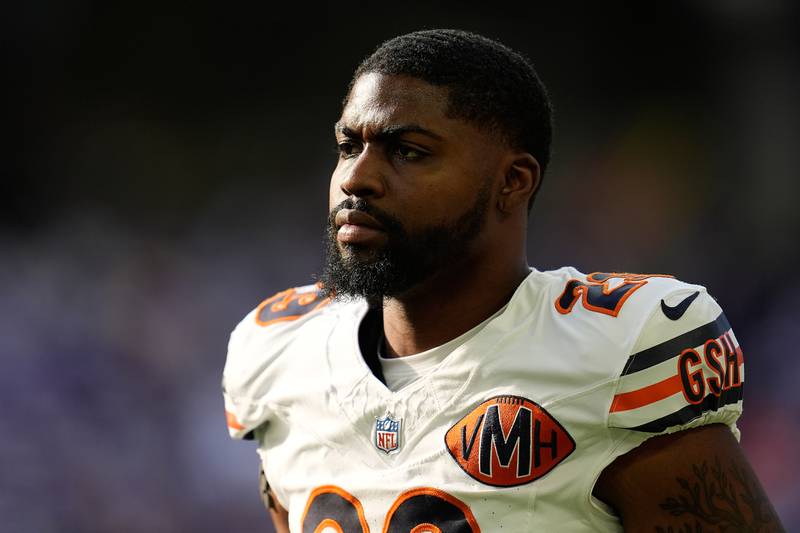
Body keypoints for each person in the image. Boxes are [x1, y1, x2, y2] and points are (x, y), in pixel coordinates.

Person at [222, 29, 784, 532]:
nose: (357, 178)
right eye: (349, 147)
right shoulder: (277, 351)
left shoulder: (614, 353)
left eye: (409, 152)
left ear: (513, 182)